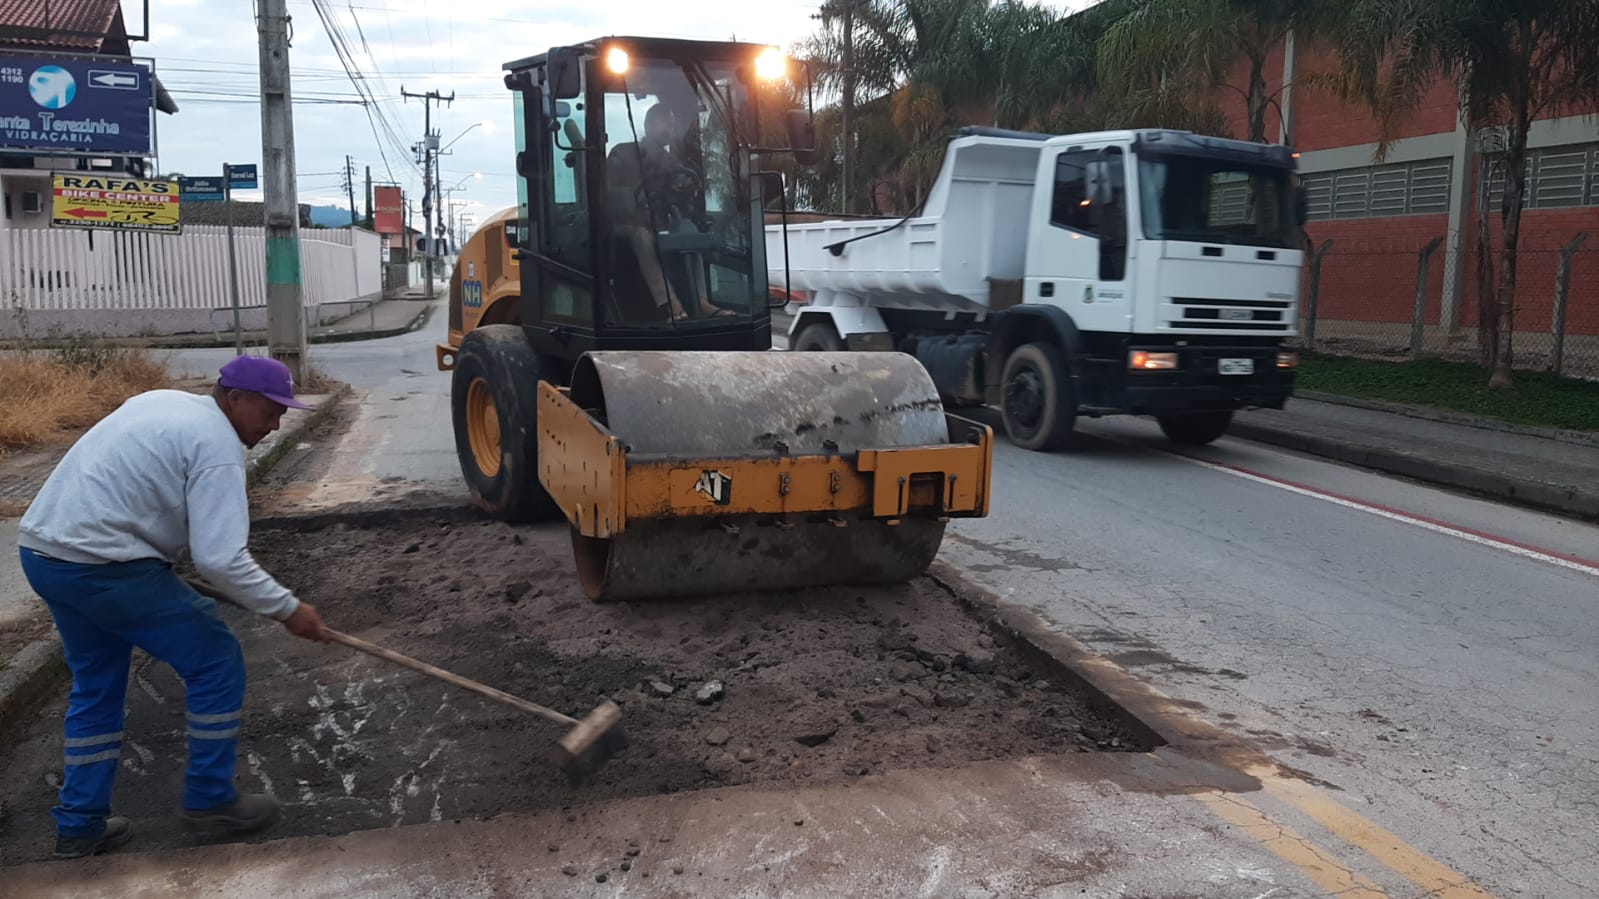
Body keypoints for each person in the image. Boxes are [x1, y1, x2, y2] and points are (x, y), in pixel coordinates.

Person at [15, 355, 329, 860]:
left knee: (97, 687)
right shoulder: (219, 447)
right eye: (269, 413)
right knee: (215, 658)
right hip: (103, 565)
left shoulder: (162, 402)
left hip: (45, 554)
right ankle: (210, 800)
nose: (273, 427)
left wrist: (155, 556)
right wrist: (288, 609)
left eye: (281, 417)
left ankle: (80, 824)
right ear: (234, 398)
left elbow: (135, 485)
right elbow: (221, 558)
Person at [608, 102, 721, 320]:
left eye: (672, 124)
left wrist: (687, 189)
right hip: (623, 225)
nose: (670, 129)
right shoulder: (621, 154)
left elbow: (680, 196)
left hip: (659, 224)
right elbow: (608, 198)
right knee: (642, 236)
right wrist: (631, 201)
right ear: (648, 125)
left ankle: (701, 301)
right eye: (664, 124)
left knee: (688, 230)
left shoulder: (670, 161)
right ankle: (671, 303)